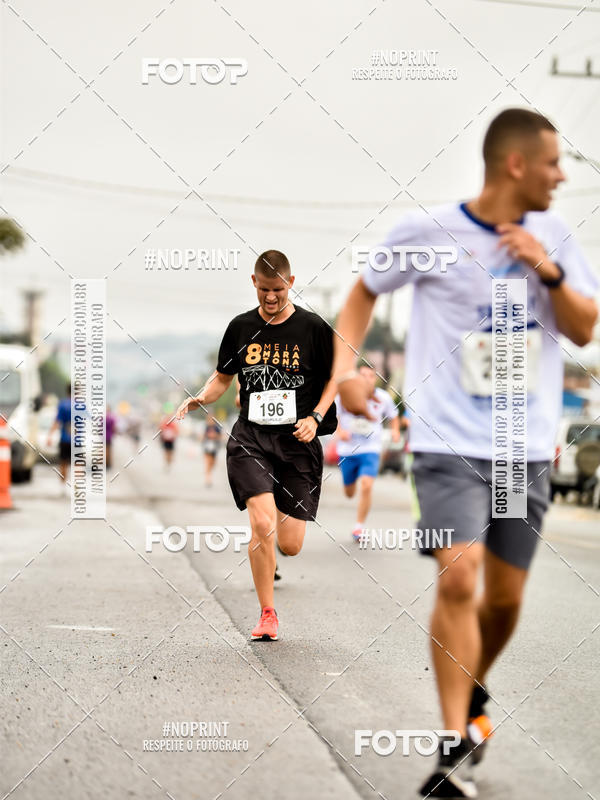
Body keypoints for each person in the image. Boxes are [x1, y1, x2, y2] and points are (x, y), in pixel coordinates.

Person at [333, 108, 598, 797]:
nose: (562, 175)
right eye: (553, 163)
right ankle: (452, 751)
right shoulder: (428, 233)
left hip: (522, 446)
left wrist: (548, 272)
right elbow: (362, 294)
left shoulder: (555, 234)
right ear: (516, 164)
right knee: (459, 575)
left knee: (504, 599)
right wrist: (344, 372)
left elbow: (584, 327)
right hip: (448, 441)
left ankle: (474, 688)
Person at [176, 250, 337, 641]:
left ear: (292, 283)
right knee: (261, 523)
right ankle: (267, 614)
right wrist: (200, 398)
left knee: (291, 544)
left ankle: (277, 549)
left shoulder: (314, 328)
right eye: (264, 289)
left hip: (298, 442)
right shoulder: (241, 327)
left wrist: (314, 418)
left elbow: (336, 380)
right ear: (253, 283)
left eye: (278, 290)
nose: (270, 297)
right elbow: (221, 379)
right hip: (251, 437)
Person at [335, 364, 400, 540]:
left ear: (375, 378)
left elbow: (394, 417)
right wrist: (340, 432)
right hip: (347, 450)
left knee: (366, 485)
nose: (366, 379)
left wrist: (395, 431)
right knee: (349, 493)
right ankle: (350, 483)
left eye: (370, 376)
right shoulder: (344, 395)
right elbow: (336, 417)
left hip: (370, 448)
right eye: (362, 375)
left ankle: (359, 527)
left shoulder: (383, 397)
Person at [48, 383, 71, 491]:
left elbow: (57, 421)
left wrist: (50, 435)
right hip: (77, 440)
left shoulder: (62, 404)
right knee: (78, 463)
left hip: (64, 439)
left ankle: (63, 487)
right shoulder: (81, 405)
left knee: (63, 463)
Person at [203, 416, 222, 487]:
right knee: (208, 463)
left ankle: (209, 475)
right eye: (209, 419)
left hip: (214, 447)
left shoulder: (216, 427)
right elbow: (204, 436)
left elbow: (220, 436)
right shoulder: (207, 427)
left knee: (212, 463)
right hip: (207, 447)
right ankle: (208, 479)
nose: (210, 421)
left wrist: (214, 436)